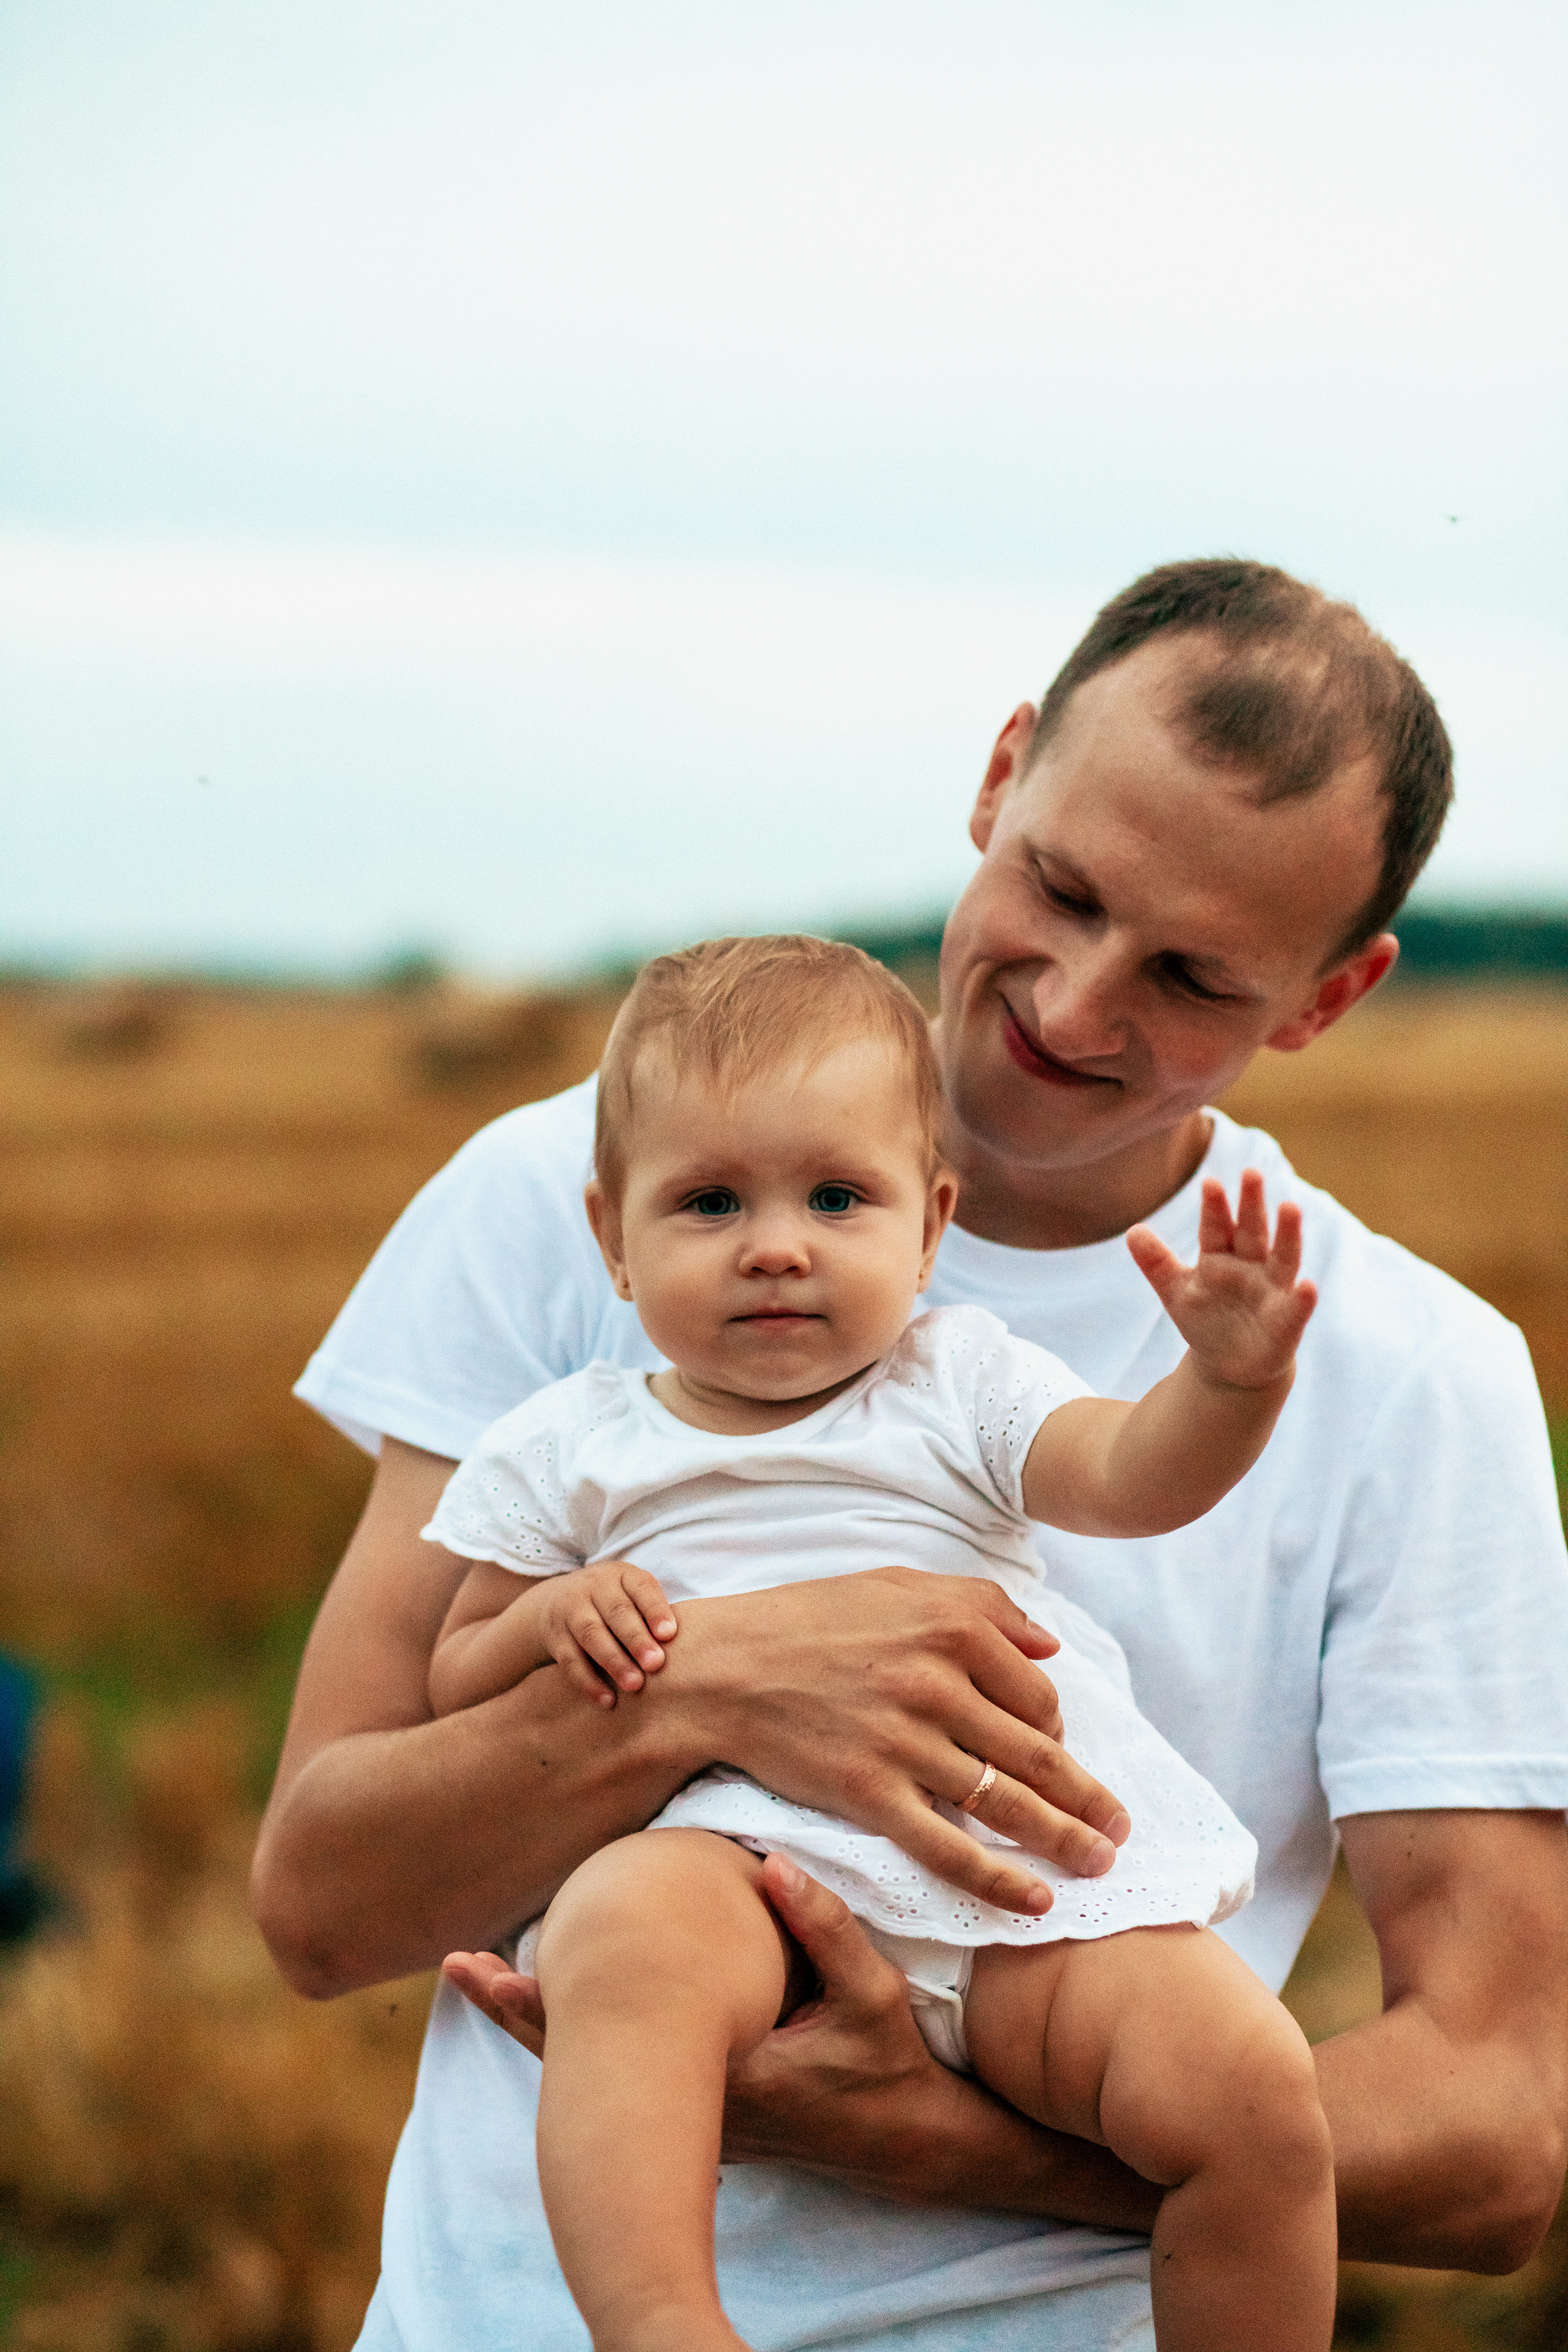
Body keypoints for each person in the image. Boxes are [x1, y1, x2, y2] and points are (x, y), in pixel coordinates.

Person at [254, 559, 1568, 2352]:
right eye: (1062, 888)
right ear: (1000, 772)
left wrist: (954, 2143)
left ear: (1327, 1000)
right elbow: (321, 1905)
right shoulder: (580, 1202)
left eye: (1192, 977)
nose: (1079, 1006)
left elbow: (1506, 2135)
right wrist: (701, 1688)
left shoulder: (1410, 1378)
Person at [424, 932, 1332, 2352]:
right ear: (613, 1237)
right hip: (739, 1882)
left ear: (929, 1224)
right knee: (624, 1942)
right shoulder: (572, 1447)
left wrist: (1230, 1383)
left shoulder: (959, 1386)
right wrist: (549, 1615)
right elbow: (459, 1666)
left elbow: (1130, 1475)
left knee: (1256, 2089)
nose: (776, 1244)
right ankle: (665, 2323)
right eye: (710, 1201)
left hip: (1027, 1890)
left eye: (838, 1198)